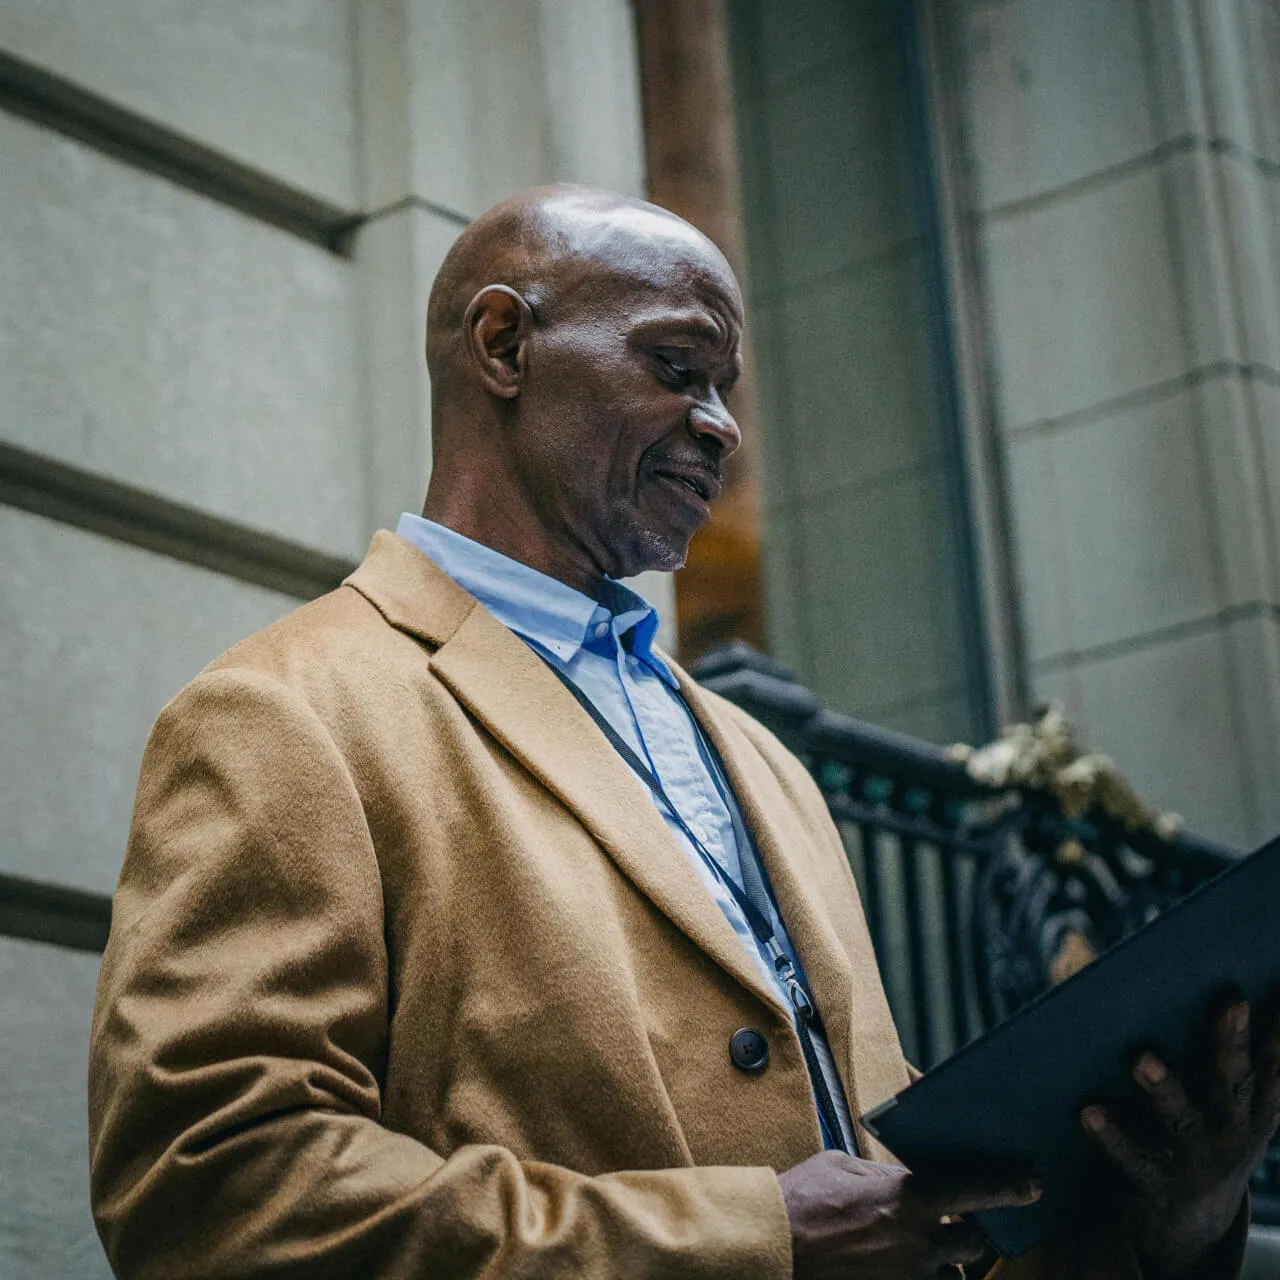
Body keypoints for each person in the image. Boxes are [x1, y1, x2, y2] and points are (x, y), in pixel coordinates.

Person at [88, 185, 1278, 1279]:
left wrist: (1169, 1221)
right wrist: (747, 1238)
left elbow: (903, 1218)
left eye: (726, 388)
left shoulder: (765, 764)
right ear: (502, 345)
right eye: (675, 366)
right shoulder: (286, 710)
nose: (720, 427)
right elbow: (213, 1184)